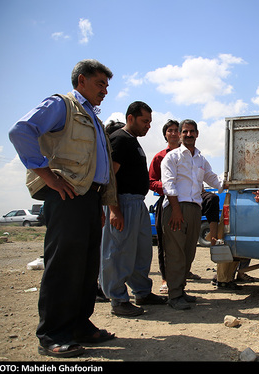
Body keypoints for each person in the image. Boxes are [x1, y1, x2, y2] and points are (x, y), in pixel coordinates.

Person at [8, 59, 116, 358]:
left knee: (85, 267)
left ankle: (80, 326)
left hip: (89, 198)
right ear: (81, 81)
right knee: (64, 266)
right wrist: (47, 175)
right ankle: (52, 335)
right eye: (100, 84)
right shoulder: (62, 105)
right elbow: (21, 131)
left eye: (107, 85)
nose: (105, 91)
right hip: (67, 195)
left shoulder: (91, 116)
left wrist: (103, 203)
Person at [100, 101, 167, 317]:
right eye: (144, 121)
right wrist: (114, 209)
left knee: (140, 252)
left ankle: (142, 292)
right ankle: (118, 299)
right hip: (122, 203)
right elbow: (110, 177)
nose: (148, 126)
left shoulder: (133, 142)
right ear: (131, 118)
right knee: (119, 252)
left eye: (149, 122)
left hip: (137, 203)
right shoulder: (119, 139)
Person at [161, 119, 225, 310]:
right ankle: (174, 295)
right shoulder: (172, 157)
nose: (189, 135)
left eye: (192, 132)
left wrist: (233, 181)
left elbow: (213, 180)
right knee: (175, 253)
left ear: (197, 134)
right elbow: (169, 185)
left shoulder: (201, 159)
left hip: (195, 210)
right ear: (180, 134)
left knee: (189, 252)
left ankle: (181, 290)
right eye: (185, 132)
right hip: (175, 209)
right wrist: (176, 211)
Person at [149, 120, 181, 294]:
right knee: (164, 242)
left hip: (187, 202)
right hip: (167, 202)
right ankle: (165, 279)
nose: (174, 133)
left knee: (185, 241)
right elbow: (151, 182)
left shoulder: (190, 155)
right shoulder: (159, 157)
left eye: (177, 130)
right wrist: (169, 187)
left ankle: (183, 277)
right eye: (170, 130)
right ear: (165, 134)